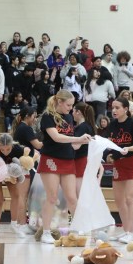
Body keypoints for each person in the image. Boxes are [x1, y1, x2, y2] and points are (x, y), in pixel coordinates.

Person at [37, 90, 91, 243]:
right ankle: (46, 232)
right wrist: (77, 138)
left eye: (72, 105)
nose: (71, 108)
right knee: (52, 197)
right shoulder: (47, 117)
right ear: (59, 102)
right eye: (68, 105)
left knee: (72, 198)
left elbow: (71, 144)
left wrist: (82, 141)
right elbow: (56, 137)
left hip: (68, 160)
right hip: (51, 160)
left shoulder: (68, 117)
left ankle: (78, 227)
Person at [105, 97, 133, 243]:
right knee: (119, 200)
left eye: (117, 108)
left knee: (129, 198)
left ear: (126, 109)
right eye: (112, 108)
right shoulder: (112, 125)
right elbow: (111, 145)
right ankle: (125, 230)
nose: (114, 110)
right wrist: (109, 155)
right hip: (118, 164)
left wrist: (128, 148)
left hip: (132, 162)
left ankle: (130, 233)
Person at [72, 102, 98, 197]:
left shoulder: (82, 127)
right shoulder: (88, 126)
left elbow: (76, 146)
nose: (72, 113)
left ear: (78, 112)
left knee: (79, 194)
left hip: (80, 161)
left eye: (73, 111)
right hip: (84, 160)